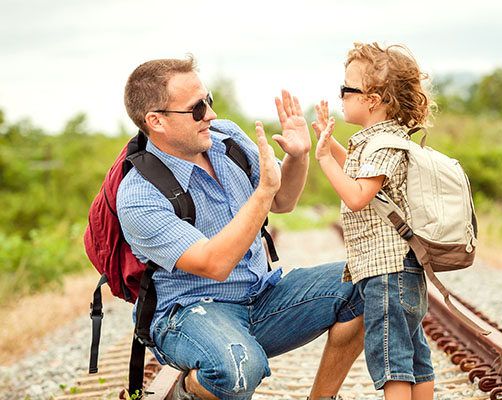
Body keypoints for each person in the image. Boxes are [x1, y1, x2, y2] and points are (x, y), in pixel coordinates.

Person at [116, 56, 365, 400]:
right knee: (235, 371)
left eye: (209, 101)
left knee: (367, 281)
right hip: (190, 313)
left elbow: (283, 201)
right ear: (156, 121)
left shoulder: (226, 139)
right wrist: (263, 191)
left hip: (260, 297)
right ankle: (187, 392)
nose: (211, 115)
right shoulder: (138, 195)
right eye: (197, 109)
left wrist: (298, 156)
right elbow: (214, 263)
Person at [311, 42, 436, 399]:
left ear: (373, 99)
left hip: (387, 271)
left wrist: (323, 160)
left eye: (346, 90)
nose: (341, 96)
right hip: (400, 269)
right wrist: (330, 143)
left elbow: (356, 195)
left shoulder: (382, 143)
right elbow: (358, 176)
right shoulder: (380, 141)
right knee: (415, 356)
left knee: (391, 358)